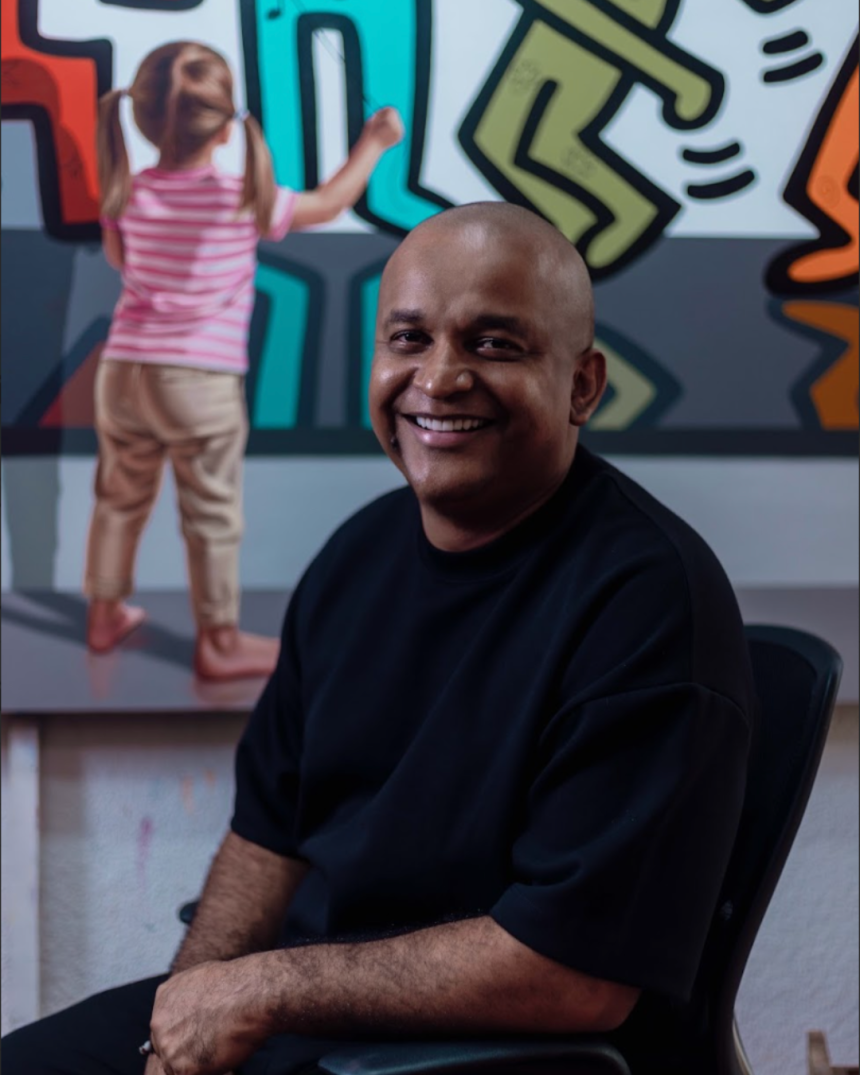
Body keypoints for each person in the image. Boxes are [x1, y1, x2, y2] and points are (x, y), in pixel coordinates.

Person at [4, 202, 757, 1074]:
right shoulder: (354, 558)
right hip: (307, 1018)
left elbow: (573, 974)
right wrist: (191, 1008)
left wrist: (258, 991)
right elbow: (268, 838)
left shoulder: (648, 602)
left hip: (495, 1054)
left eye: (493, 344)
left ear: (582, 385)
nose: (439, 378)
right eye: (409, 339)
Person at [83, 40, 404, 679]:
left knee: (118, 497)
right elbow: (329, 203)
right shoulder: (240, 196)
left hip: (123, 370)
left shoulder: (126, 190)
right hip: (199, 379)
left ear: (141, 118)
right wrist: (375, 143)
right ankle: (219, 643)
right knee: (210, 512)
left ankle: (104, 615)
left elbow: (120, 261)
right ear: (226, 124)